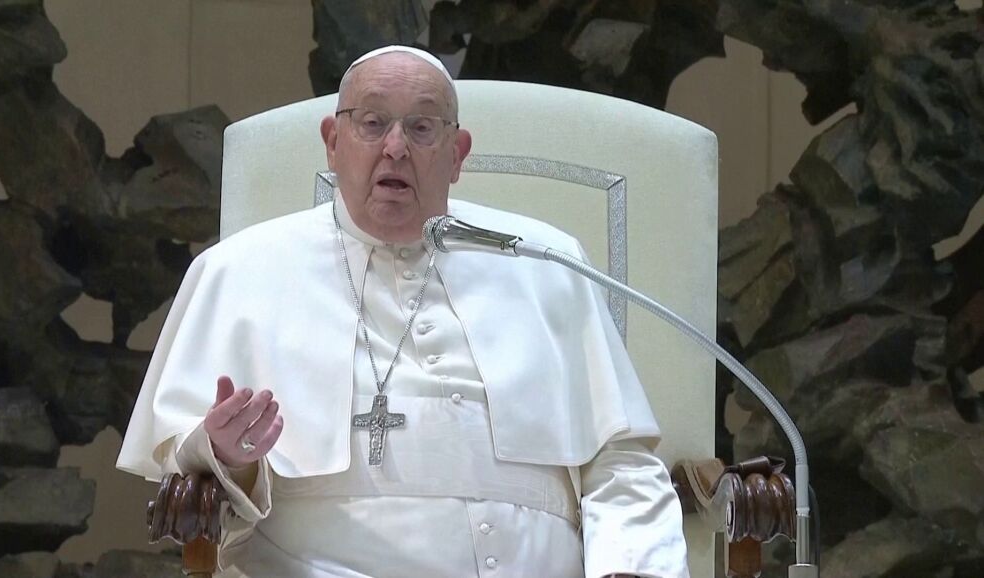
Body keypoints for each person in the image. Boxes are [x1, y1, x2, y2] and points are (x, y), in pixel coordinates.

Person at [118, 45, 689, 578]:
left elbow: (620, 463)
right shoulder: (240, 271)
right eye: (372, 123)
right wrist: (226, 455)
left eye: (421, 127)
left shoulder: (545, 260)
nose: (395, 147)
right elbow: (185, 460)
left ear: (457, 154)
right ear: (332, 142)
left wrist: (633, 567)